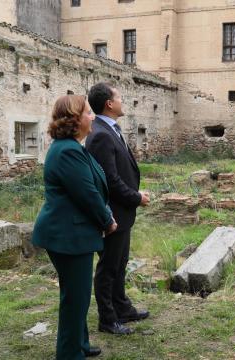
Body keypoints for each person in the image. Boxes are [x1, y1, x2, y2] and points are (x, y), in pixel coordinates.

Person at [32, 95, 117, 359]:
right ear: (74, 119)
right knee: (75, 300)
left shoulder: (71, 146)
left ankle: (80, 344)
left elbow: (92, 188)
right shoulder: (68, 150)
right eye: (89, 113)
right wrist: (107, 220)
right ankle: (70, 354)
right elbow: (87, 194)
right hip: (68, 236)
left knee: (76, 295)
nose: (93, 117)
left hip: (70, 233)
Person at [86, 83, 150, 335]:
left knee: (120, 263)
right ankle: (107, 319)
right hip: (113, 212)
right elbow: (110, 180)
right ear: (109, 104)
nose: (123, 101)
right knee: (108, 267)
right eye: (119, 97)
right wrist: (136, 197)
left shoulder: (109, 129)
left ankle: (122, 307)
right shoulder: (100, 133)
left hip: (122, 213)